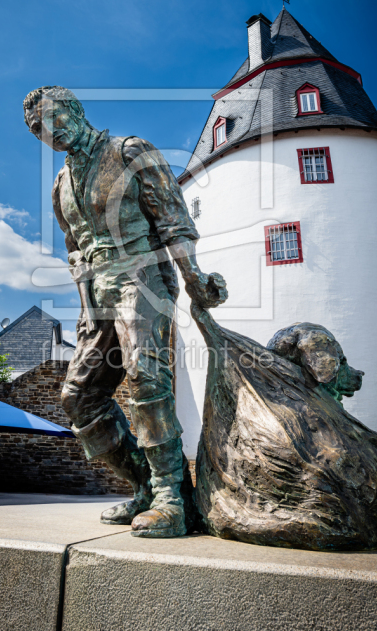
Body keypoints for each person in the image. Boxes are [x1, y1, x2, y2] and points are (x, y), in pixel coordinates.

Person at [23, 85, 227, 538]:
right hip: (96, 295)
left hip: (143, 277)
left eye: (55, 118)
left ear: (75, 109)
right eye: (39, 130)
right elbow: (75, 246)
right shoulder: (61, 185)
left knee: (145, 376)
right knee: (78, 397)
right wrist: (84, 300)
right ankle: (144, 487)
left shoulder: (129, 151)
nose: (50, 133)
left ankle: (173, 496)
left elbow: (173, 220)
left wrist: (194, 279)